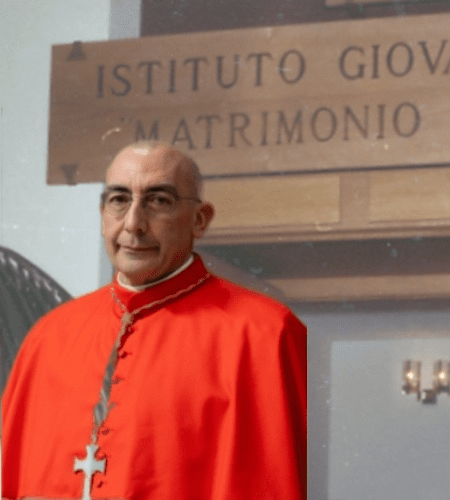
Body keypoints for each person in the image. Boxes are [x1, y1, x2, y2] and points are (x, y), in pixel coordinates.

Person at [2, 142, 307, 500]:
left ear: (200, 220)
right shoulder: (48, 336)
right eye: (119, 200)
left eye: (159, 201)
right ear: (103, 213)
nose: (133, 224)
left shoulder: (266, 334)